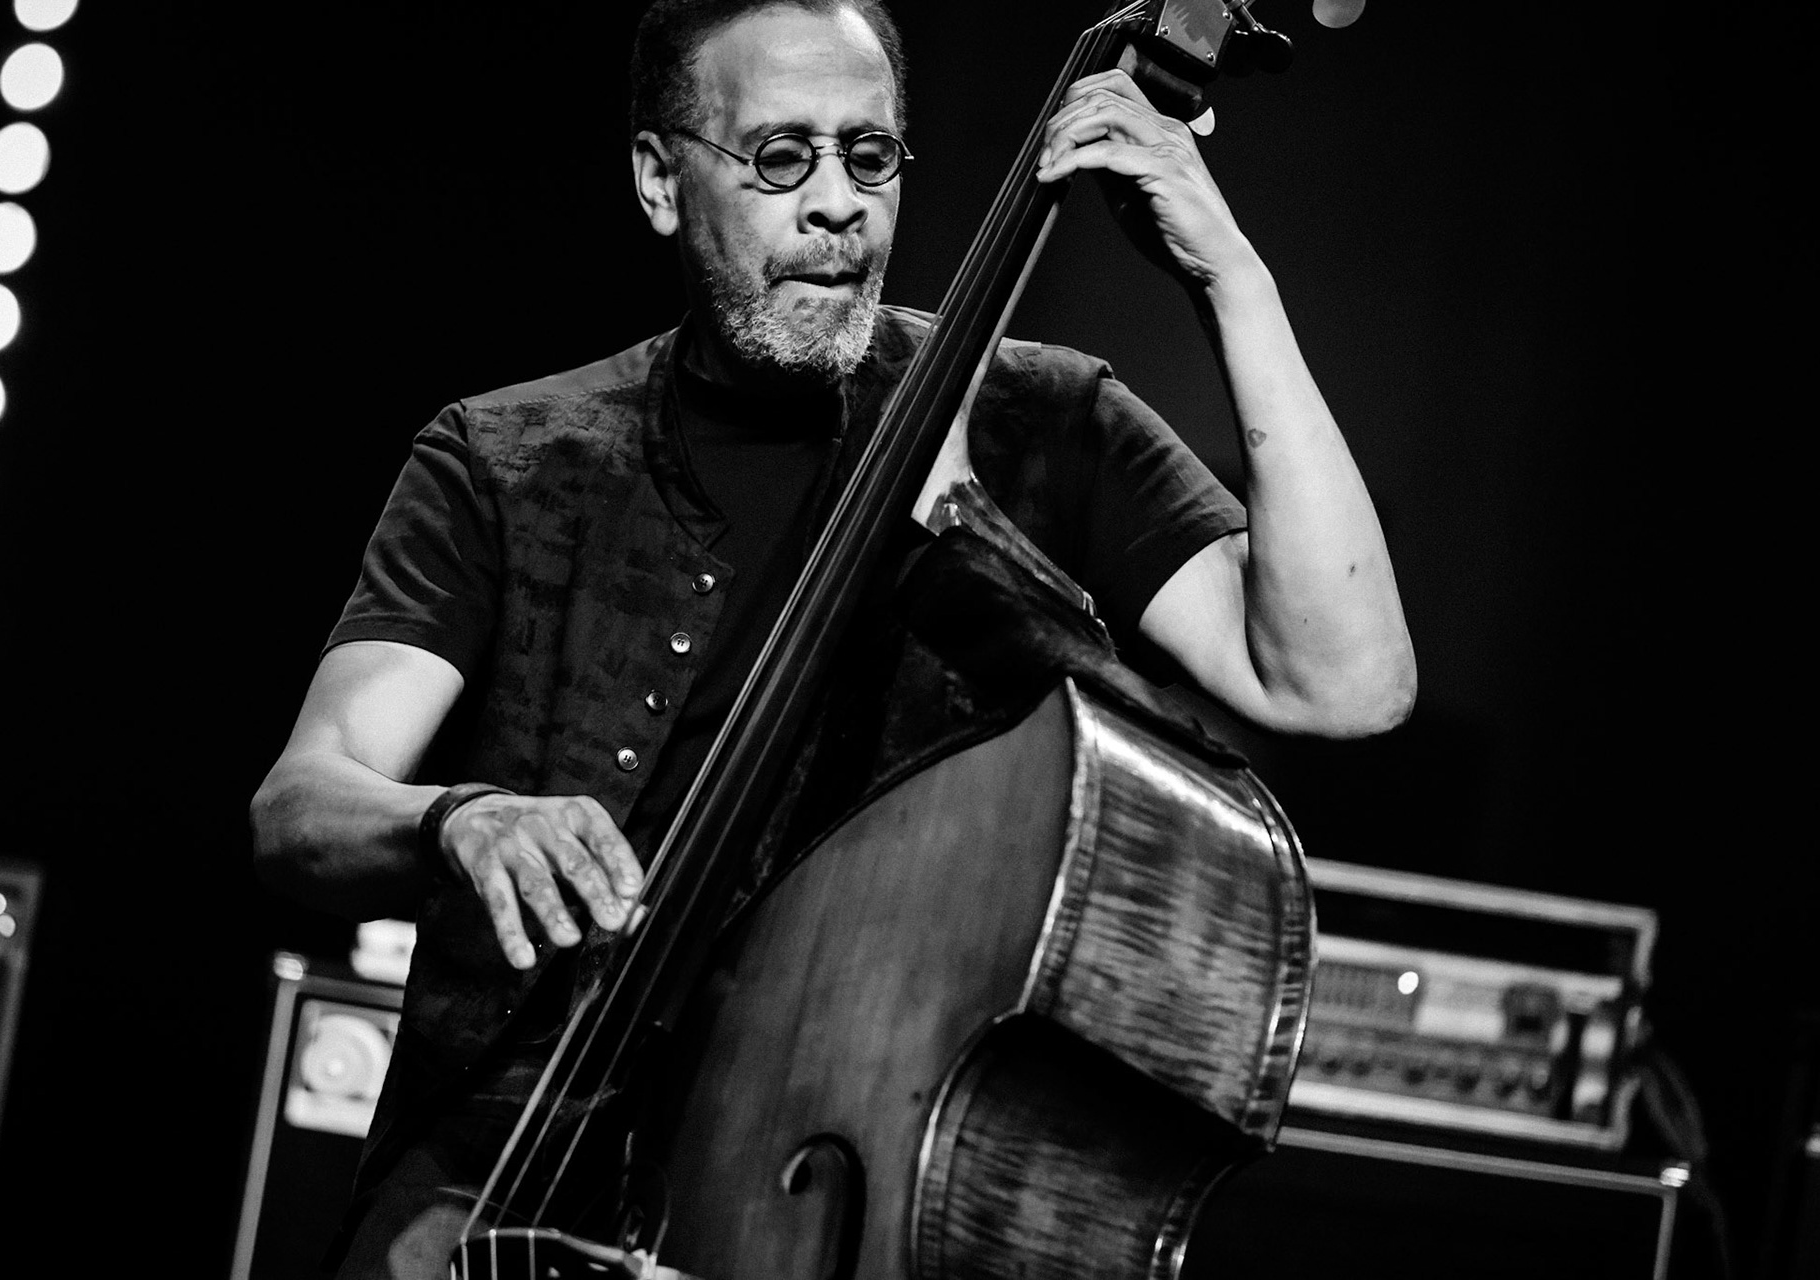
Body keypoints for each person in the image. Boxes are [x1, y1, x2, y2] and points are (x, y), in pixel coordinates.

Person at [251, 1, 1415, 1274]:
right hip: (492, 1178)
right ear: (658, 180)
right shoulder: (507, 458)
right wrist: (461, 818)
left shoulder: (1039, 420)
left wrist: (1229, 277)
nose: (836, 205)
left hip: (810, 1204)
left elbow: (1342, 681)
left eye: (869, 157)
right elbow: (302, 804)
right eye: (780, 158)